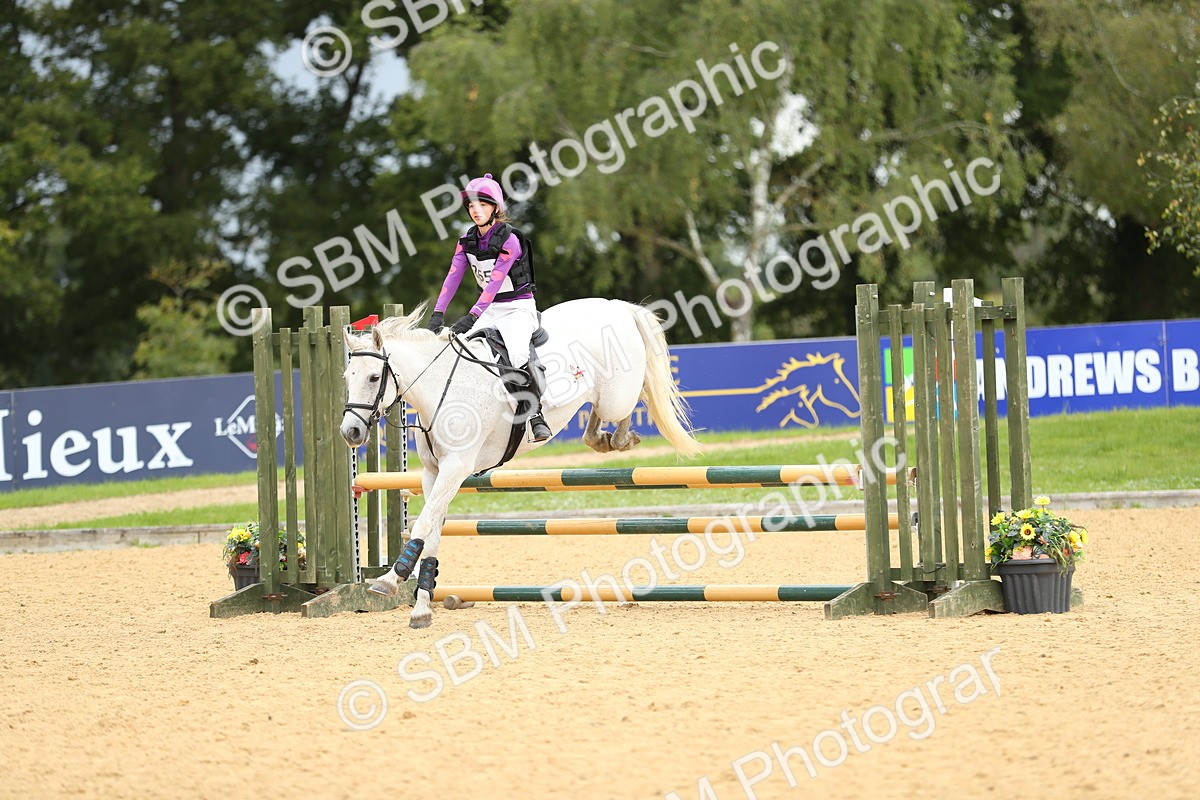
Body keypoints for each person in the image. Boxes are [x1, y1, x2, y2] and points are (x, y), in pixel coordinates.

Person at [426, 173, 552, 442]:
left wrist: (471, 317)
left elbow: (493, 283)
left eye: (482, 205)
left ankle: (535, 414)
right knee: (460, 351)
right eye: (471, 206)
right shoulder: (466, 241)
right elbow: (453, 277)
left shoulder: (510, 240)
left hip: (518, 307)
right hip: (491, 309)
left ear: (495, 207)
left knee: (517, 356)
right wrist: (438, 313)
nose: (475, 211)